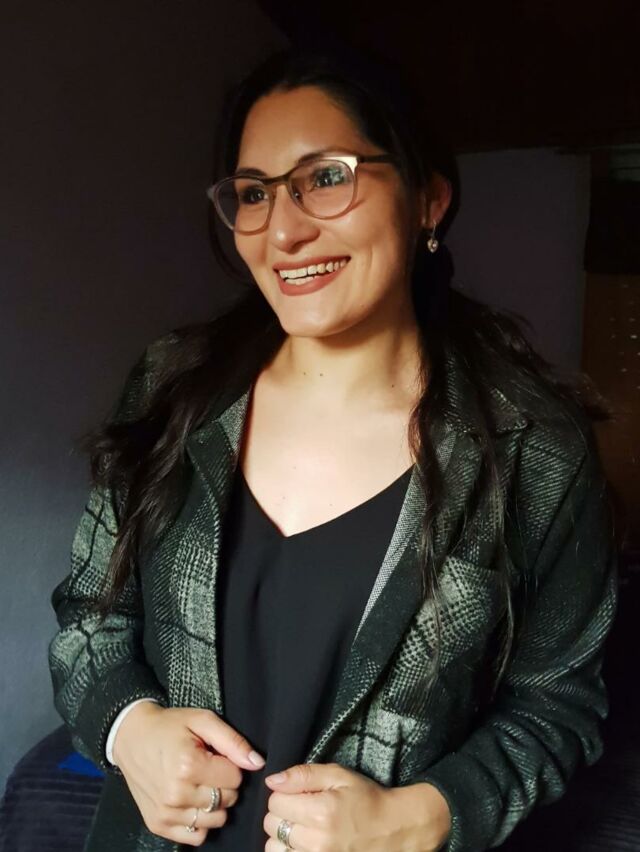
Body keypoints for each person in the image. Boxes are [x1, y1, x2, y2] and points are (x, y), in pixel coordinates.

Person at [48, 46, 617, 852]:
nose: (284, 230)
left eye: (326, 177)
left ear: (428, 200)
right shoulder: (173, 387)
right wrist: (127, 726)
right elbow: (91, 615)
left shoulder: (535, 451)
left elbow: (557, 707)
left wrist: (419, 818)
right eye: (254, 193)